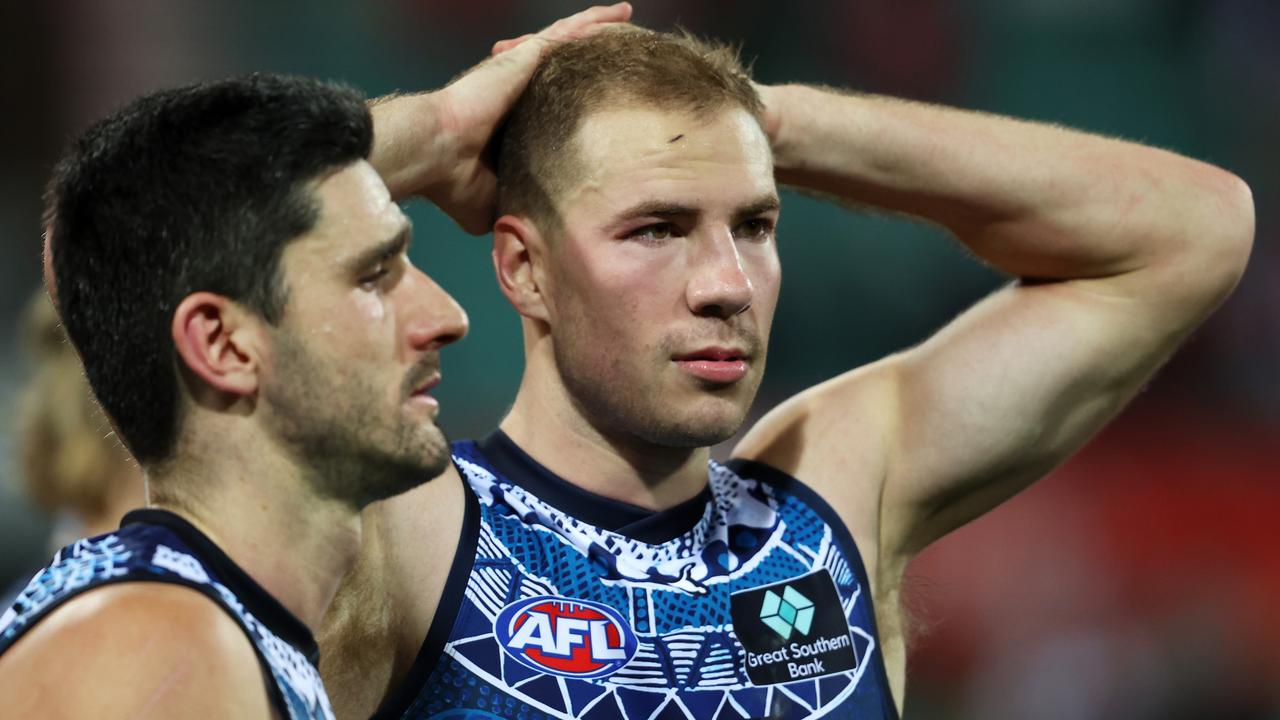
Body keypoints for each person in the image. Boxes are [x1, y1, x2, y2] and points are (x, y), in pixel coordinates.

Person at [319, 26, 1254, 720]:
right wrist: (436, 131)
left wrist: (771, 124)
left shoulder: (832, 495)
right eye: (658, 229)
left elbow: (1195, 229)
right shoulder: (411, 531)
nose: (727, 284)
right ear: (525, 269)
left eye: (756, 226)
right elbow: (188, 254)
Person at [0, 6, 633, 714]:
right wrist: (440, 131)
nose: (447, 318)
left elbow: (120, 244)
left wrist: (445, 132)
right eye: (373, 275)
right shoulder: (158, 649)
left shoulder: (208, 626)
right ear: (222, 344)